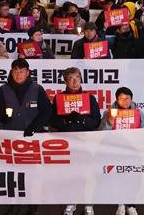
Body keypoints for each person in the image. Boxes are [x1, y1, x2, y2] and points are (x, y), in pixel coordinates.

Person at [50, 68, 100, 215]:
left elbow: (96, 121)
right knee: (69, 174)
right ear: (65, 81)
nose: (74, 81)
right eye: (71, 78)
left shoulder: (90, 98)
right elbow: (53, 121)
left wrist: (82, 118)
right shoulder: (58, 98)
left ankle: (88, 204)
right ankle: (71, 202)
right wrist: (65, 120)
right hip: (67, 141)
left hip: (86, 141)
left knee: (88, 173)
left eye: (77, 78)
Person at [99, 86, 144, 215]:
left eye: (127, 98)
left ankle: (131, 205)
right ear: (116, 99)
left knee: (132, 178)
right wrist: (109, 122)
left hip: (133, 151)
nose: (124, 101)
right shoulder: (108, 112)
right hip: (115, 150)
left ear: (132, 99)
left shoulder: (138, 112)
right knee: (118, 177)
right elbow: (101, 133)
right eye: (121, 98)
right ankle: (120, 203)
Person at [0, 58, 52, 135]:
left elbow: (46, 112)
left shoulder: (37, 89)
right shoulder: (3, 89)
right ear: (11, 72)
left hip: (33, 136)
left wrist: (34, 128)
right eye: (16, 71)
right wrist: (3, 118)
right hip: (8, 135)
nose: (18, 75)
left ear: (27, 73)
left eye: (21, 71)